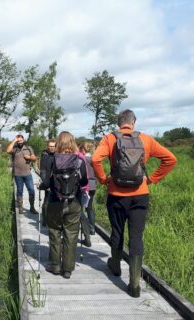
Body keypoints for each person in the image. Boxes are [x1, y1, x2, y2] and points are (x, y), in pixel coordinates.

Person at [92, 109, 177, 298]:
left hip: (116, 194)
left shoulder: (109, 138)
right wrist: (152, 179)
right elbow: (171, 159)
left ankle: (115, 266)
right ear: (134, 122)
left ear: (119, 123)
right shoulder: (146, 139)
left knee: (117, 231)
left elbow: (96, 159)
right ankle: (135, 284)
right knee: (136, 237)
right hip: (140, 195)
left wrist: (103, 179)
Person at [39, 131, 88, 279]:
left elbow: (46, 182)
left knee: (55, 232)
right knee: (71, 235)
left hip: (55, 202)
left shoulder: (51, 159)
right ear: (72, 143)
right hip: (74, 203)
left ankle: (55, 266)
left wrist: (42, 187)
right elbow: (85, 182)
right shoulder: (79, 160)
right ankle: (67, 269)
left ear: (58, 143)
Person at [6, 133, 38, 214]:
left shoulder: (28, 148)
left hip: (27, 174)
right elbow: (7, 151)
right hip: (17, 175)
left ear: (23, 140)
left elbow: (34, 158)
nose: (20, 142)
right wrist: (14, 140)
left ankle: (32, 207)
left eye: (21, 140)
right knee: (19, 191)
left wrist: (29, 157)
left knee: (31, 190)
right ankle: (20, 208)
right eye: (18, 140)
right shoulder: (15, 149)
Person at [80, 142, 97, 235]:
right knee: (90, 208)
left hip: (84, 185)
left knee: (80, 207)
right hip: (93, 185)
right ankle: (92, 228)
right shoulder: (94, 159)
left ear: (83, 148)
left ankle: (84, 228)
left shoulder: (82, 159)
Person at [39, 139, 56, 226]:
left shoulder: (58, 155)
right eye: (50, 146)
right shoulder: (45, 156)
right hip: (48, 182)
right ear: (47, 146)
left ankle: (53, 220)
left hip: (57, 183)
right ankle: (45, 220)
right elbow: (43, 171)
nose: (52, 148)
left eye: (53, 146)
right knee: (46, 202)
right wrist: (47, 185)